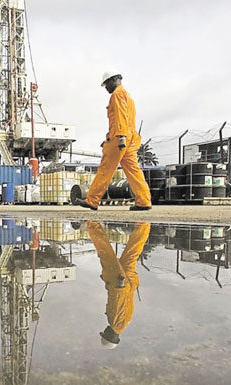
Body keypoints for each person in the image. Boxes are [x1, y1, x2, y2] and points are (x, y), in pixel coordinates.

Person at [76, 70, 152, 211]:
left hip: (120, 137)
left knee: (105, 169)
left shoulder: (117, 95)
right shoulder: (128, 96)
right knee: (134, 171)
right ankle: (144, 201)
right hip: (130, 137)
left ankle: (92, 200)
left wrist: (120, 136)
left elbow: (120, 116)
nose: (106, 88)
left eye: (106, 84)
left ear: (114, 80)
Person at [86, 220, 151, 349]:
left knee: (132, 252)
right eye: (105, 333)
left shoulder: (125, 323)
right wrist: (119, 286)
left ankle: (144, 225)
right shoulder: (115, 323)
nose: (104, 330)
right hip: (118, 283)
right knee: (105, 252)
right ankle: (93, 224)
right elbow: (118, 302)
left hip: (129, 283)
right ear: (109, 335)